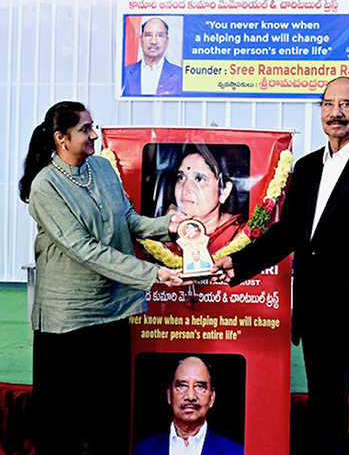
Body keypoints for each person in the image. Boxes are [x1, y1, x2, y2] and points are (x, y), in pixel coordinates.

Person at [212, 77, 349, 455]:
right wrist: (238, 263)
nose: (336, 113)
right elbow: (288, 233)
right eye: (328, 104)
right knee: (325, 419)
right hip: (319, 318)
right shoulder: (306, 168)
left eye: (347, 105)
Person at [19, 101, 188, 455]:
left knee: (112, 417)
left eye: (93, 126)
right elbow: (84, 249)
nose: (94, 135)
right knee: (63, 424)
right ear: (61, 138)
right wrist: (155, 273)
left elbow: (128, 220)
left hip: (113, 310)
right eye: (85, 129)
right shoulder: (45, 186)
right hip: (67, 321)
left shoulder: (102, 167)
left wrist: (170, 227)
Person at [133, 356, 244, 455]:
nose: (190, 396)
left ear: (212, 398)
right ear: (169, 395)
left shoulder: (238, 452)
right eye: (182, 386)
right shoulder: (140, 451)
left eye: (200, 387)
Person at [166, 145, 246, 256]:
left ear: (224, 191)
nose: (185, 190)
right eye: (181, 178)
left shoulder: (240, 236)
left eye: (199, 179)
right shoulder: (163, 231)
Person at [122, 17, 183, 96]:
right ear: (140, 40)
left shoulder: (181, 76)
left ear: (167, 42)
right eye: (148, 35)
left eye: (159, 36)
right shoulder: (124, 74)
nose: (153, 41)